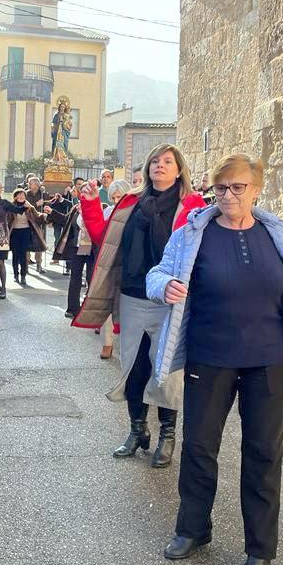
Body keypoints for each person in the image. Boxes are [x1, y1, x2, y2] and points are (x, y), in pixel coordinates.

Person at [145, 153, 283, 565]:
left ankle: (260, 551)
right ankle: (193, 528)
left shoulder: (277, 232)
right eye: (221, 188)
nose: (228, 196)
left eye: (237, 187)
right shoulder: (194, 233)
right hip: (210, 355)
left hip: (269, 358)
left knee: (264, 453)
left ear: (256, 189)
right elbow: (157, 274)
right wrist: (163, 287)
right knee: (201, 446)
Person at [73, 144, 206, 467]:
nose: (160, 166)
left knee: (167, 372)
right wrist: (90, 204)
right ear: (147, 168)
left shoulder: (193, 205)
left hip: (170, 300)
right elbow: (107, 238)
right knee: (134, 368)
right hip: (132, 294)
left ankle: (167, 437)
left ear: (179, 169)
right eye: (155, 161)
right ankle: (137, 431)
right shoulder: (131, 203)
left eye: (168, 162)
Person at [44, 181, 95, 318]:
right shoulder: (76, 208)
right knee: (75, 277)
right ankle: (72, 308)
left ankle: (90, 309)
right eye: (82, 192)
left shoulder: (99, 208)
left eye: (87, 191)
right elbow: (66, 220)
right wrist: (52, 212)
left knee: (92, 278)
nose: (84, 194)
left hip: (92, 249)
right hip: (76, 247)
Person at [98, 179, 130, 360]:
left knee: (127, 307)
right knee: (106, 305)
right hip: (109, 263)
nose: (117, 200)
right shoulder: (108, 212)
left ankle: (126, 346)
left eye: (120, 196)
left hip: (128, 264)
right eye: (114, 196)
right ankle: (107, 343)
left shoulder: (135, 212)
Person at [8, 188, 47, 287]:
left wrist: (45, 215)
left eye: (23, 195)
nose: (21, 197)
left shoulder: (29, 207)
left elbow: (37, 217)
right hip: (14, 233)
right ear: (15, 197)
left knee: (23, 255)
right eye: (19, 195)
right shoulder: (11, 207)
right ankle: (16, 274)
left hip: (25, 232)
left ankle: (23, 276)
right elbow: (7, 220)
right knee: (15, 255)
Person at [24, 176, 49, 274]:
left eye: (33, 183)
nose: (30, 185)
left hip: (39, 222)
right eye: (30, 183)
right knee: (26, 244)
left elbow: (48, 206)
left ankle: (39, 265)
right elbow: (23, 206)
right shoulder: (25, 194)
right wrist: (36, 204)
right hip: (28, 221)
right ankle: (25, 265)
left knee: (40, 243)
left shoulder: (43, 195)